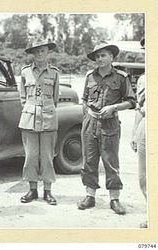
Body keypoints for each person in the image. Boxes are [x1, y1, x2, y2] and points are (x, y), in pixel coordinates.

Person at [77, 41, 136, 215]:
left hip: (110, 124)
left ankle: (114, 199)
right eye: (97, 56)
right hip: (90, 124)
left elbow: (132, 102)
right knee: (89, 161)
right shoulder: (90, 76)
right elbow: (85, 99)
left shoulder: (121, 77)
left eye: (103, 55)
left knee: (111, 162)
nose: (100, 59)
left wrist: (113, 108)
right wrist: (87, 114)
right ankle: (90, 196)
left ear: (111, 57)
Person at [18, 38, 59, 205]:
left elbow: (55, 98)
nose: (39, 54)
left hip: (48, 117)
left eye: (42, 51)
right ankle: (32, 190)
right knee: (31, 156)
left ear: (47, 52)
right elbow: (22, 97)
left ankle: (48, 191)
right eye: (36, 51)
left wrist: (45, 109)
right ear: (32, 54)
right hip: (29, 118)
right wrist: (31, 109)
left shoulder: (54, 73)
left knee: (47, 156)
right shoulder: (25, 72)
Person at [131, 38, 146, 227]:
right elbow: (139, 108)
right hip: (146, 124)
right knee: (145, 177)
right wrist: (134, 133)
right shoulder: (143, 78)